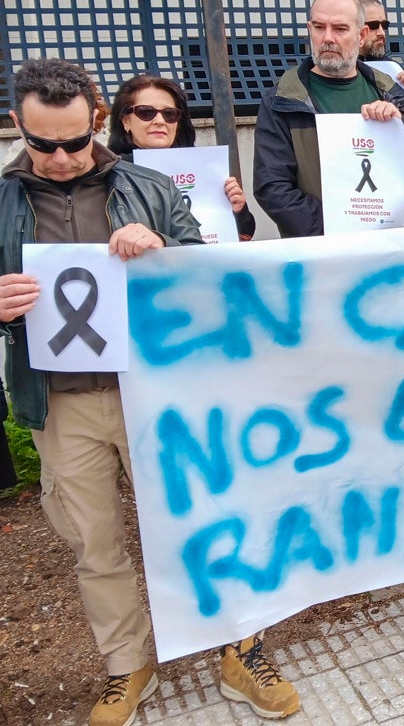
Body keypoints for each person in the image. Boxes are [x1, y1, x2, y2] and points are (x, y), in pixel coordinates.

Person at [0, 58, 300, 725]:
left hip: (160, 395)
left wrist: (162, 244)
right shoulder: (2, 201)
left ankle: (238, 648)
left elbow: (204, 277)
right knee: (93, 541)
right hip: (62, 402)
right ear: (18, 123)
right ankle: (126, 663)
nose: (58, 157)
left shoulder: (148, 186)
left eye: (74, 142)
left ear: (96, 120)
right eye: (42, 143)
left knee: (204, 522)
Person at [253, 0, 404, 236]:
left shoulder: (388, 90)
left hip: (395, 250)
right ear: (310, 29)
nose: (328, 38)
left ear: (361, 35)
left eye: (340, 29)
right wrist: (339, 225)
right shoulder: (282, 100)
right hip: (325, 256)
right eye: (319, 27)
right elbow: (272, 188)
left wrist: (400, 126)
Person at [107, 74, 256, 240]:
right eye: (146, 112)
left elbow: (245, 234)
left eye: (169, 114)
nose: (159, 120)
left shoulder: (205, 169)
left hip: (202, 263)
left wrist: (238, 211)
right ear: (125, 121)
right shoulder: (110, 175)